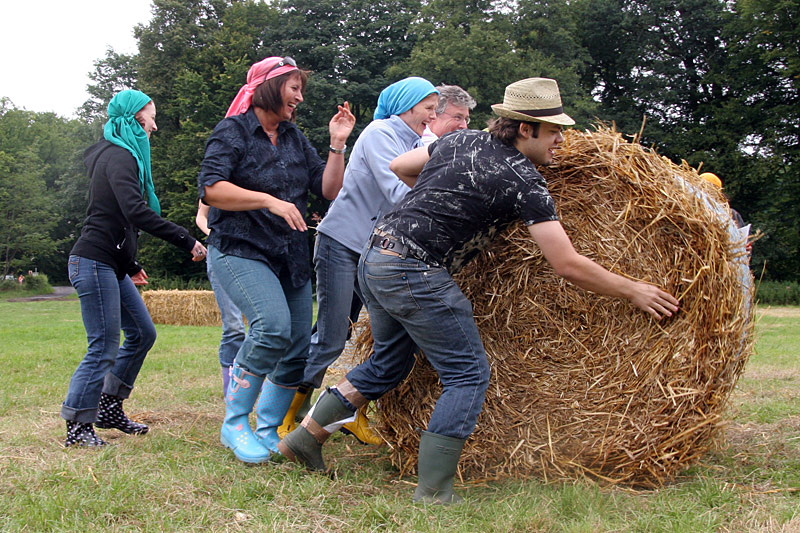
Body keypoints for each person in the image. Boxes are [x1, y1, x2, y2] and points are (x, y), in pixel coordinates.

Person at [278, 78, 680, 503]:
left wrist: (449, 199)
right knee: (468, 374)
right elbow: (566, 264)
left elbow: (400, 167)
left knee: (388, 365)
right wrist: (633, 289)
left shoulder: (461, 140)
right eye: (555, 130)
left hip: (376, 256)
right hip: (415, 269)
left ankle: (303, 440)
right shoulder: (525, 181)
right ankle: (434, 492)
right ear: (525, 129)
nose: (562, 139)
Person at [197, 56, 355, 464]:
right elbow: (212, 190)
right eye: (294, 88)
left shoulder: (293, 137)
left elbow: (329, 189)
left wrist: (338, 143)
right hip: (240, 248)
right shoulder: (232, 131)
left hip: (290, 254)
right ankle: (234, 423)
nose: (299, 98)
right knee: (271, 328)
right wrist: (270, 200)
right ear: (269, 87)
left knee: (298, 344)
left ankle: (266, 426)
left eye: (301, 90)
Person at [278, 77, 440, 446]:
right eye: (428, 108)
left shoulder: (417, 140)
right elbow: (397, 192)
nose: (432, 117)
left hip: (376, 250)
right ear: (407, 105)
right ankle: (289, 417)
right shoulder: (380, 133)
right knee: (332, 338)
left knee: (386, 337)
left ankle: (352, 413)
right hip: (343, 243)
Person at [63, 89, 207, 447]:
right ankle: (78, 427)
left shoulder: (119, 155)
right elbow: (133, 212)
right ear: (133, 119)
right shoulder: (119, 156)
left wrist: (130, 263)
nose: (154, 126)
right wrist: (185, 239)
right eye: (151, 117)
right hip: (94, 260)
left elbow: (116, 218)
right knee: (103, 346)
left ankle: (109, 407)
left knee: (143, 333)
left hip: (110, 263)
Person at [195, 200, 245, 395]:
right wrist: (215, 235)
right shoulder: (215, 178)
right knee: (234, 326)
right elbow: (201, 216)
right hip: (221, 252)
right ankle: (230, 390)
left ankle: (253, 380)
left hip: (254, 255)